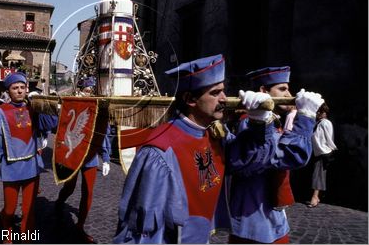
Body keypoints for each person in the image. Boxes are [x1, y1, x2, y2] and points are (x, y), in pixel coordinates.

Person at [114, 54, 233, 243]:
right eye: (215, 93)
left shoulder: (213, 133)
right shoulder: (159, 151)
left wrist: (259, 123)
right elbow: (143, 232)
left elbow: (251, 160)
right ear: (190, 99)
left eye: (223, 91)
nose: (224, 99)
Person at [226, 66, 325, 243]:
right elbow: (290, 156)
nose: (289, 94)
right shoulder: (249, 123)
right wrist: (306, 117)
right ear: (263, 91)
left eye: (288, 88)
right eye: (282, 89)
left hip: (271, 213)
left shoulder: (272, 120)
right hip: (254, 219)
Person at [0, 72, 46, 243]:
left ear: (27, 89)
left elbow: (50, 124)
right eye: (15, 88)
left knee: (28, 210)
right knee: (9, 210)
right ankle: (7, 236)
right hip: (11, 168)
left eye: (22, 88)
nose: (19, 91)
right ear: (8, 91)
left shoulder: (34, 108)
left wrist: (43, 104)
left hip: (31, 166)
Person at [55, 77, 111, 243]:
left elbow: (104, 133)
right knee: (69, 187)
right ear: (80, 90)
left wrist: (106, 157)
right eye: (88, 90)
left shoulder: (98, 106)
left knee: (88, 191)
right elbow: (62, 128)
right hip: (74, 153)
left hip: (91, 156)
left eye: (93, 90)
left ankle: (80, 226)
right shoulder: (73, 104)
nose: (90, 93)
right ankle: (59, 201)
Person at [308, 102, 337, 208]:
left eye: (321, 112)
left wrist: (330, 150)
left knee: (318, 174)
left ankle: (315, 197)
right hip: (318, 152)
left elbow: (329, 138)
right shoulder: (318, 123)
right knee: (317, 173)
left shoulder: (325, 123)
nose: (319, 113)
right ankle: (316, 196)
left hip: (323, 152)